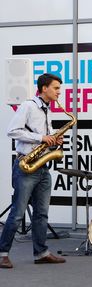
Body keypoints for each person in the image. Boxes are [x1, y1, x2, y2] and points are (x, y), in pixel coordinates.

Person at [0, 73, 67, 269]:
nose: (59, 92)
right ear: (44, 88)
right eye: (56, 88)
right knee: (18, 213)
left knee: (42, 214)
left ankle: (41, 253)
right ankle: (3, 253)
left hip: (42, 166)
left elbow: (46, 136)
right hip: (26, 165)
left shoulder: (47, 109)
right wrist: (41, 138)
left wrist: (54, 138)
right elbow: (12, 131)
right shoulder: (28, 106)